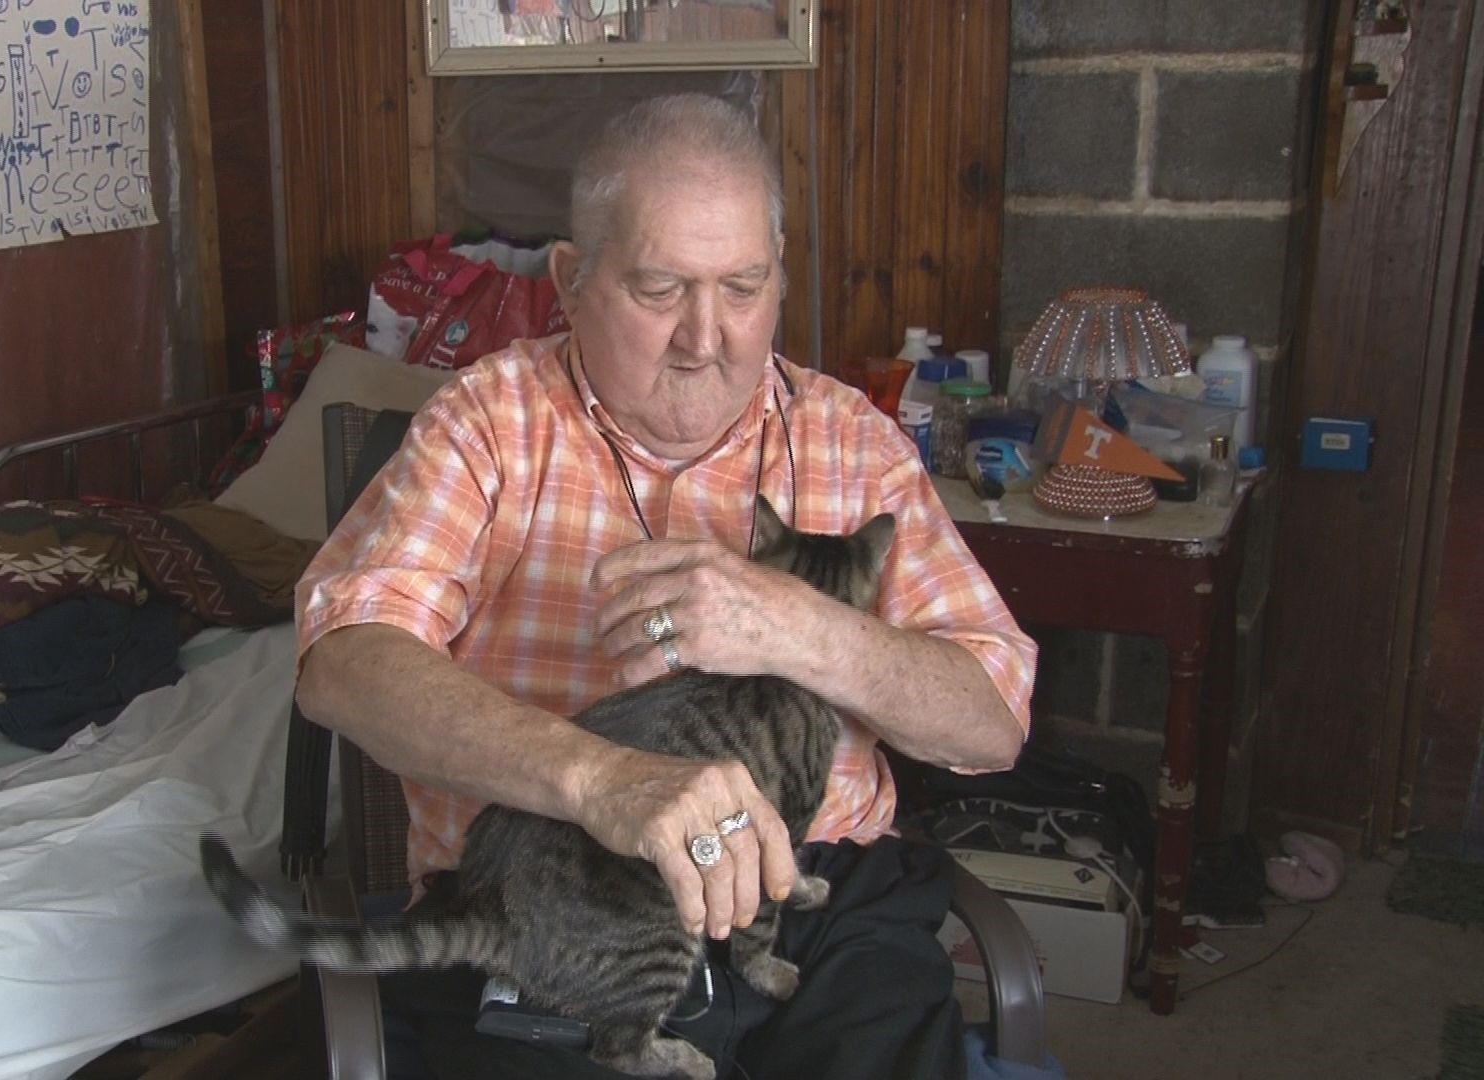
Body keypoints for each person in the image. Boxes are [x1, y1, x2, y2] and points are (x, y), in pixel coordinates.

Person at [294, 93, 1036, 1080]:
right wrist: (603, 780)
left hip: (819, 905)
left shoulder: (851, 441)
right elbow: (344, 663)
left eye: (743, 286)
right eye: (658, 289)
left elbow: (992, 719)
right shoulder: (487, 424)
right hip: (562, 895)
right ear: (571, 279)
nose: (707, 335)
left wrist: (798, 628)